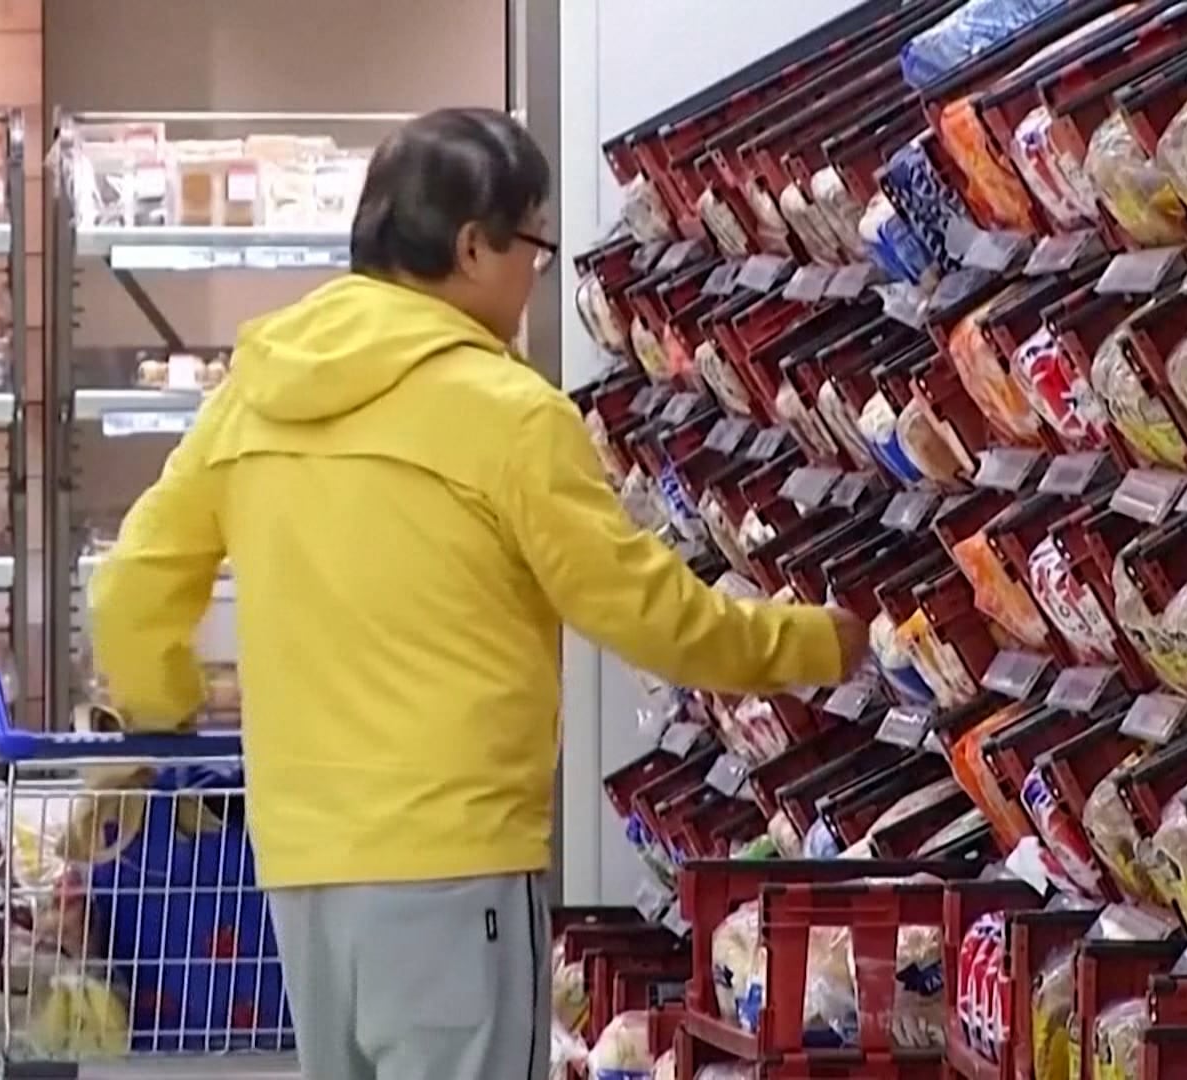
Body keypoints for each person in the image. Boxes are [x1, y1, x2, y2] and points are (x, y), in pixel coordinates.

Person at [88, 107, 869, 1080]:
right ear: (470, 247)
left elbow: (130, 590)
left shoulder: (253, 396)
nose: (534, 276)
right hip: (453, 861)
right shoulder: (508, 415)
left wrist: (162, 716)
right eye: (533, 247)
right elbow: (645, 613)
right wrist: (819, 644)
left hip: (299, 858)